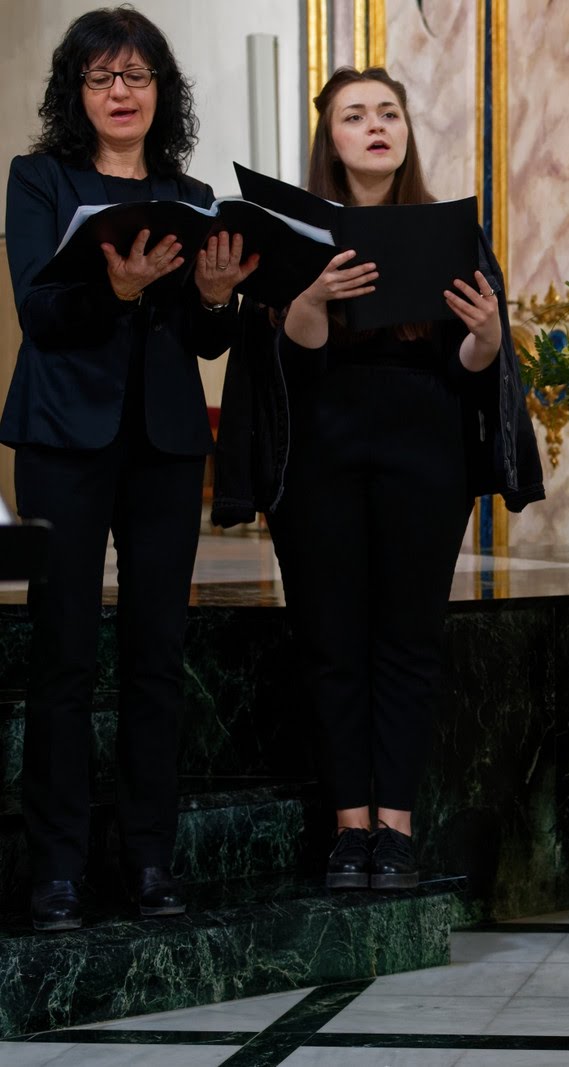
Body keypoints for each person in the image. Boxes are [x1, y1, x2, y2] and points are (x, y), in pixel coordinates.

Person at [241, 67, 542, 892]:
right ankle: (348, 830)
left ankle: (398, 827)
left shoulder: (448, 230)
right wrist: (310, 299)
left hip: (424, 454)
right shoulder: (294, 232)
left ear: (406, 131)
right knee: (332, 640)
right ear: (328, 137)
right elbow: (285, 359)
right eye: (355, 115)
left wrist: (485, 334)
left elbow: (475, 364)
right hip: (322, 455)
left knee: (408, 641)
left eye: (389, 113)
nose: (376, 126)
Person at [1, 6, 254, 930]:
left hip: (164, 443)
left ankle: (150, 859)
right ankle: (58, 869)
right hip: (63, 437)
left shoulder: (187, 195)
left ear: (161, 94)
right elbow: (41, 313)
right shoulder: (40, 180)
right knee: (64, 656)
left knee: (158, 658)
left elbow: (200, 335)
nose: (121, 92)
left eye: (138, 77)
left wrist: (218, 301)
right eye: (103, 78)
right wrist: (112, 289)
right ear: (78, 93)